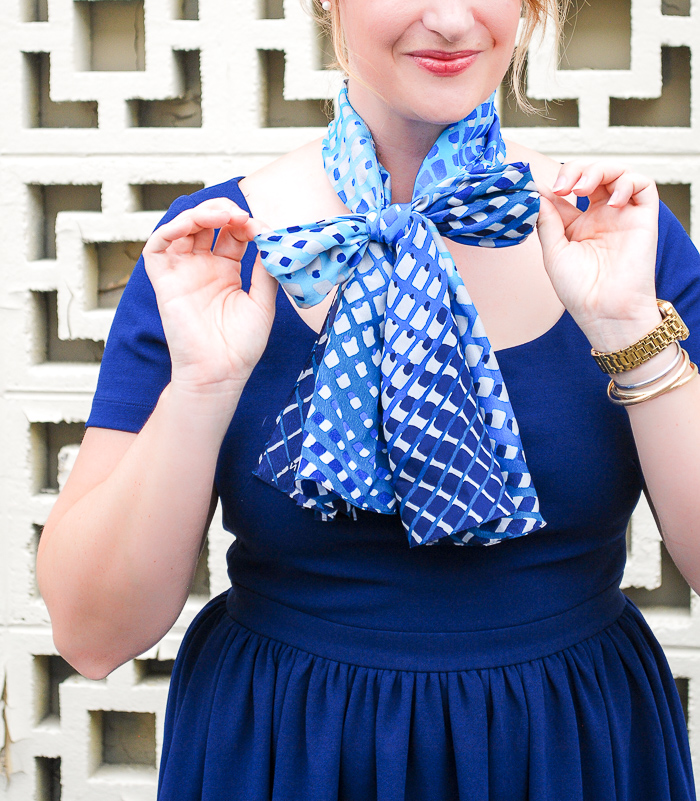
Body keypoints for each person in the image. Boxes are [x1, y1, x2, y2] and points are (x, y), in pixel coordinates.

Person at [36, 0, 700, 798]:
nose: (452, 20)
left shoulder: (621, 232)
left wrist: (630, 328)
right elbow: (93, 634)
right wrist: (203, 386)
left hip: (565, 745)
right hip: (287, 748)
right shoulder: (219, 244)